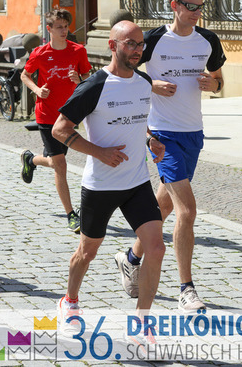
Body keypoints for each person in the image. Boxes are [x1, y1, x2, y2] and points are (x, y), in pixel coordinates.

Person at [115, 0, 226, 312]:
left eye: (200, 7)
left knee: (162, 207)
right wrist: (152, 83)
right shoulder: (153, 39)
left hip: (194, 132)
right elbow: (122, 70)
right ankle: (186, 289)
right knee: (186, 210)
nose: (196, 13)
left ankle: (130, 258)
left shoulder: (207, 40)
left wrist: (213, 84)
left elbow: (220, 81)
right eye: (190, 6)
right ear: (175, 5)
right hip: (163, 134)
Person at [51, 20, 166, 328]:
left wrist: (150, 140)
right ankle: (69, 300)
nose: (137, 50)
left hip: (137, 182)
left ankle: (142, 323)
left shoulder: (143, 82)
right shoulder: (94, 86)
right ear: (113, 46)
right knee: (87, 252)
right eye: (131, 44)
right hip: (100, 186)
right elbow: (60, 129)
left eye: (141, 44)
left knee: (156, 248)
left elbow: (136, 121)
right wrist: (99, 152)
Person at [19, 8, 91, 233]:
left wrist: (79, 80)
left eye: (66, 26)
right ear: (49, 29)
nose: (64, 30)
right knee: (60, 164)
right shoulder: (40, 53)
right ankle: (72, 215)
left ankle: (31, 160)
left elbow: (87, 77)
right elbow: (24, 75)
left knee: (55, 161)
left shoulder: (78, 51)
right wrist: (37, 90)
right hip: (47, 114)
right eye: (59, 27)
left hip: (69, 115)